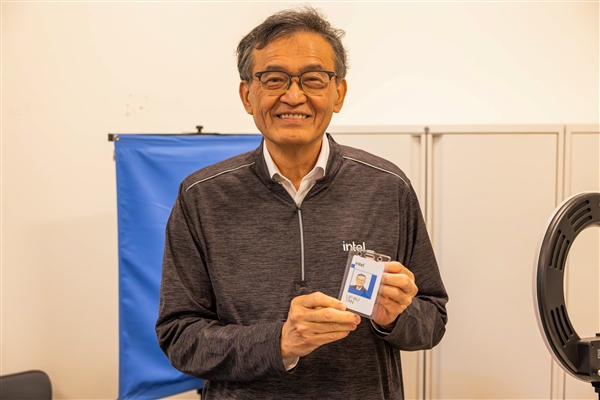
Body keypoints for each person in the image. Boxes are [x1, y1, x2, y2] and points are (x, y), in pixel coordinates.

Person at [156, 7, 448, 400]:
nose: (293, 97)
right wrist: (280, 342)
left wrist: (394, 317)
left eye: (313, 79)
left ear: (338, 93)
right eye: (274, 79)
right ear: (247, 95)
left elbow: (432, 320)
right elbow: (179, 337)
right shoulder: (202, 196)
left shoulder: (387, 187)